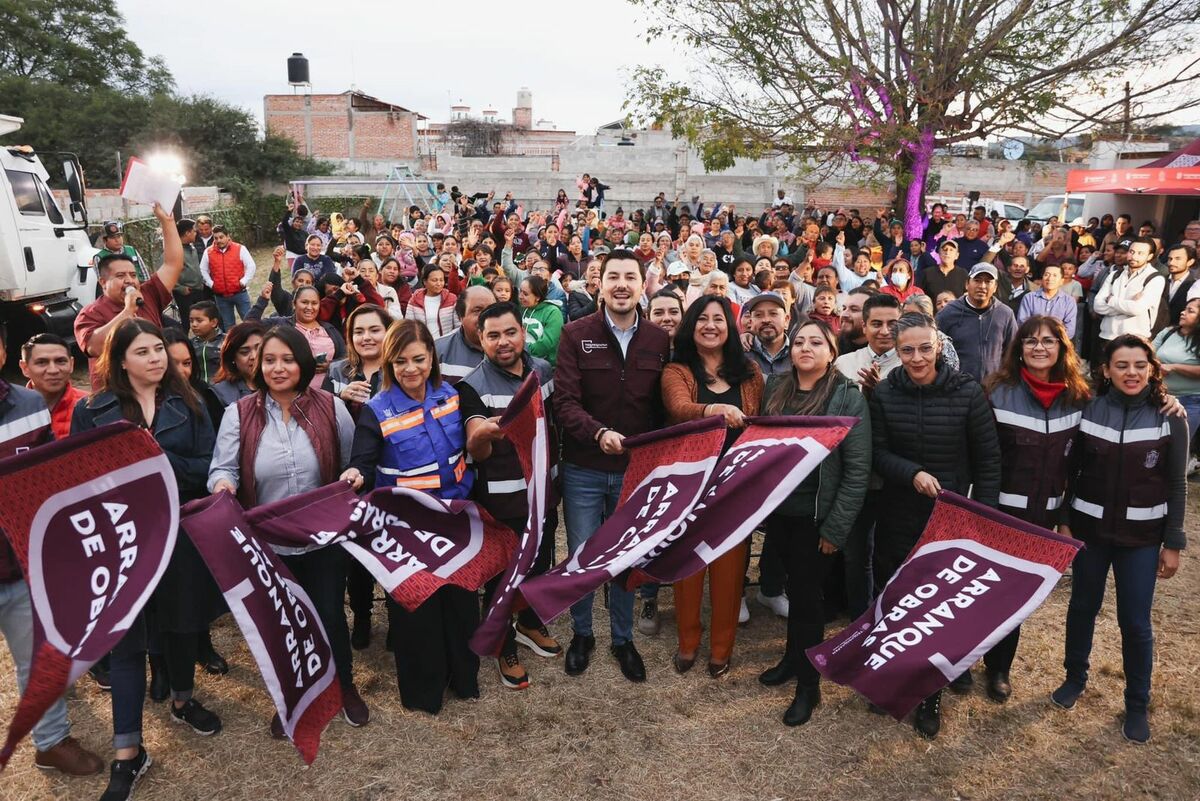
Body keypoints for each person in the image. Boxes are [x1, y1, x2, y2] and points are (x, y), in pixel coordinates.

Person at [72, 319, 223, 801]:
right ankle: (129, 752)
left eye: (159, 348)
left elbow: (208, 467)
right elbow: (79, 483)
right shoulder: (92, 412)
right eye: (143, 351)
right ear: (119, 360)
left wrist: (157, 458)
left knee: (182, 624)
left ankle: (182, 699)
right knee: (126, 643)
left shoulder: (192, 403)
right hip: (121, 542)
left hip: (179, 534)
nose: (156, 358)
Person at [208, 325, 369, 730]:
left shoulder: (331, 407)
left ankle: (344, 685)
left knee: (330, 613)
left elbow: (352, 461)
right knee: (284, 623)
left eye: (287, 359)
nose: (278, 368)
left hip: (322, 537)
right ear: (258, 366)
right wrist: (223, 485)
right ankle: (295, 697)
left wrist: (354, 475)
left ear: (302, 362)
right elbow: (222, 469)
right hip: (268, 545)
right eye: (269, 360)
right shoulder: (238, 413)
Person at [869, 312, 1001, 739]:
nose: (917, 357)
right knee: (896, 599)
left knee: (938, 606)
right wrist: (911, 473)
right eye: (906, 350)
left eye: (924, 347)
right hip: (899, 513)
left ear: (938, 345)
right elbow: (878, 452)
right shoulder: (887, 393)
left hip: (953, 517)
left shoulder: (967, 392)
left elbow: (988, 460)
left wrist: (984, 517)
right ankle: (889, 676)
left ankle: (931, 694)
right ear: (897, 351)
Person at [1053, 334, 1188, 744]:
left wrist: (1174, 541)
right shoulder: (1088, 408)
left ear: (1152, 369)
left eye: (1140, 365)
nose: (1132, 373)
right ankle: (1075, 678)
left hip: (1142, 539)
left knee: (1135, 622)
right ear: (1106, 371)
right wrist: (1063, 519)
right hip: (1090, 532)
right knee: (1082, 607)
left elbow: (1177, 485)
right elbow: (1068, 469)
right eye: (1122, 365)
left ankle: (1136, 703)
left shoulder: (1171, 417)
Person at [341, 321, 478, 714]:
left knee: (459, 602)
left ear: (432, 357)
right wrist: (355, 475)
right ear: (388, 363)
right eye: (400, 361)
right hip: (407, 529)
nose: (411, 368)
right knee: (418, 611)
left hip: (454, 519)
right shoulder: (376, 410)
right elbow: (363, 462)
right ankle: (424, 693)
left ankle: (464, 679)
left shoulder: (452, 395)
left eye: (419, 358)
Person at [555, 249, 670, 682]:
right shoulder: (574, 334)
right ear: (598, 284)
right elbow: (565, 402)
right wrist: (597, 432)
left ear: (643, 285)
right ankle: (582, 634)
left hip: (635, 472)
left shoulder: (659, 339)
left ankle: (623, 639)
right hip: (584, 468)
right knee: (583, 556)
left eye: (630, 277)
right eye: (612, 277)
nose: (621, 284)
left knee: (625, 556)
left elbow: (662, 408)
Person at [0, 325, 105, 779]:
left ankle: (51, 742)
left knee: (40, 660)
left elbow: (47, 479)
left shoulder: (28, 405)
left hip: (21, 567)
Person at [757, 319, 871, 725]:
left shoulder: (846, 397)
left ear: (831, 351)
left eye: (815, 342)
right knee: (793, 588)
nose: (805, 347)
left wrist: (835, 530)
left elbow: (857, 470)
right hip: (780, 515)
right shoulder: (776, 388)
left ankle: (809, 687)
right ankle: (791, 660)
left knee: (807, 603)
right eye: (799, 341)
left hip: (817, 519)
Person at [981, 315, 1092, 703]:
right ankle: (961, 662)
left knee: (1015, 597)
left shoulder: (1078, 398)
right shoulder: (997, 391)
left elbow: (1077, 466)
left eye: (1048, 340)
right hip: (997, 514)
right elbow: (983, 456)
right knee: (980, 593)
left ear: (1062, 347)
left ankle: (999, 668)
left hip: (1043, 518)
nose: (1039, 347)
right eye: (1030, 341)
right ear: (1018, 348)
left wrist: (1063, 518)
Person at [459, 303, 563, 688]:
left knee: (540, 565)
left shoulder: (544, 371)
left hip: (545, 494)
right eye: (493, 336)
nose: (503, 342)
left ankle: (530, 623)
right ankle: (504, 645)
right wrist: (482, 436)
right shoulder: (472, 385)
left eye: (509, 333)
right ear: (480, 339)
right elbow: (476, 446)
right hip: (503, 503)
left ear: (523, 332)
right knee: (504, 577)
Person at [661, 296, 764, 678]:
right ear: (691, 325)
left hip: (735, 484)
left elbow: (761, 423)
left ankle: (721, 649)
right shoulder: (678, 369)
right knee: (688, 567)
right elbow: (677, 407)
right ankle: (688, 643)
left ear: (730, 326)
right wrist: (712, 410)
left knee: (729, 569)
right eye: (702, 318)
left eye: (718, 319)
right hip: (690, 484)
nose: (710, 325)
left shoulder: (750, 373)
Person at [75, 202, 184, 388]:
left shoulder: (147, 294)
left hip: (155, 389)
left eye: (133, 275)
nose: (129, 280)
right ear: (103, 282)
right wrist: (127, 311)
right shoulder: (90, 313)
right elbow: (94, 346)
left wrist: (167, 221)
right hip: (116, 397)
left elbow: (173, 264)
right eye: (120, 276)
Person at [247, 284, 345, 389]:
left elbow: (346, 357)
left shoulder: (329, 329)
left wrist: (331, 365)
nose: (309, 307)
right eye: (304, 302)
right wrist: (262, 300)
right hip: (292, 393)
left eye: (314, 303)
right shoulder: (280, 325)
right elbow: (248, 325)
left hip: (328, 393)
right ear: (294, 304)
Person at [936, 264, 1018, 381]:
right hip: (958, 387)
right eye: (977, 281)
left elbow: (1012, 351)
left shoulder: (1005, 314)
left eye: (988, 282)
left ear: (995, 287)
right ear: (967, 284)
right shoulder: (948, 314)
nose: (982, 286)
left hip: (994, 387)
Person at [1094, 237, 1166, 344]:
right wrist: (1128, 305)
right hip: (1107, 336)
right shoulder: (1115, 274)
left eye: (1140, 253)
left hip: (1135, 339)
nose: (1134, 256)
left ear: (1150, 256)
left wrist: (1111, 300)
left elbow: (1136, 309)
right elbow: (1097, 306)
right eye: (1132, 252)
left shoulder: (1155, 278)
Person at [1152, 298, 1200, 459]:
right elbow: (1149, 354)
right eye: (1185, 308)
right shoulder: (1168, 332)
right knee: (1153, 442)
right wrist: (1156, 365)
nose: (1183, 312)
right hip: (1160, 396)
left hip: (1192, 401)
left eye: (1190, 311)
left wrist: (1174, 367)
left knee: (1178, 446)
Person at [19, 332, 86, 439]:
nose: (53, 370)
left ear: (71, 364)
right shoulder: (9, 411)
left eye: (60, 361)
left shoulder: (92, 405)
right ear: (25, 368)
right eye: (42, 362)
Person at [835, 293, 902, 391]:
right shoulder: (844, 363)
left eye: (892, 324)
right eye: (877, 324)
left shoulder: (910, 364)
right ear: (864, 327)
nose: (885, 331)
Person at [199, 225, 257, 329]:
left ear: (227, 236)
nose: (218, 240)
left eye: (221, 237)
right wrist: (211, 284)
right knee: (228, 325)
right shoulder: (208, 252)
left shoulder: (240, 249)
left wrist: (244, 281)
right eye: (216, 238)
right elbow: (202, 270)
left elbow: (251, 266)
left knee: (249, 322)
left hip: (239, 293)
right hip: (221, 297)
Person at [435, 285, 494, 384]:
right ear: (460, 317)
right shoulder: (438, 351)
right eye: (477, 310)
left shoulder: (513, 349)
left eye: (491, 309)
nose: (486, 316)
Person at [210, 321, 265, 407]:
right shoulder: (221, 394)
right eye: (245, 352)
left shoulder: (281, 384)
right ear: (232, 358)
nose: (254, 356)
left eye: (259, 349)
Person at [1018, 263, 1077, 337]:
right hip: (1033, 341)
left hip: (1058, 342)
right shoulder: (1029, 298)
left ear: (1062, 281)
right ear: (1042, 278)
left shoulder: (1069, 301)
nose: (1050, 278)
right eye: (1046, 274)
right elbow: (1022, 323)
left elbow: (1070, 330)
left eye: (1054, 275)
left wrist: (1052, 340)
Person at [743, 293, 793, 377]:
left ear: (786, 320)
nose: (766, 320)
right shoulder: (741, 354)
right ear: (751, 322)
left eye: (773, 314)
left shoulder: (797, 353)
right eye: (758, 315)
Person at [519, 274, 564, 367]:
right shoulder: (522, 308)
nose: (520, 296)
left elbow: (547, 343)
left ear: (538, 297)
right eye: (520, 291)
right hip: (522, 362)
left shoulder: (552, 312)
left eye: (525, 294)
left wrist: (523, 350)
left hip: (546, 367)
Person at [406, 263, 460, 337]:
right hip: (423, 345)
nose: (439, 283)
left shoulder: (452, 299)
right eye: (434, 280)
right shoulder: (414, 300)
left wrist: (446, 341)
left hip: (446, 345)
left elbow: (458, 326)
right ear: (425, 281)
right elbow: (409, 326)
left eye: (441, 280)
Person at [173, 218, 210, 320]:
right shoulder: (174, 251)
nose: (196, 233)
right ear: (187, 233)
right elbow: (167, 274)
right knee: (187, 321)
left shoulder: (192, 247)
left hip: (198, 291)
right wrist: (180, 289)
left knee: (202, 317)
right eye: (194, 231)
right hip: (185, 293)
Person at [187, 300, 224, 385]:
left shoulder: (226, 342)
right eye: (191, 321)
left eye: (199, 321)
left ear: (214, 322)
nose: (194, 324)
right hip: (198, 391)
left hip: (222, 392)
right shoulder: (189, 345)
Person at [837, 286, 875, 355]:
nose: (845, 314)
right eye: (844, 308)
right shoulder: (831, 346)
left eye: (854, 309)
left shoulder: (882, 351)